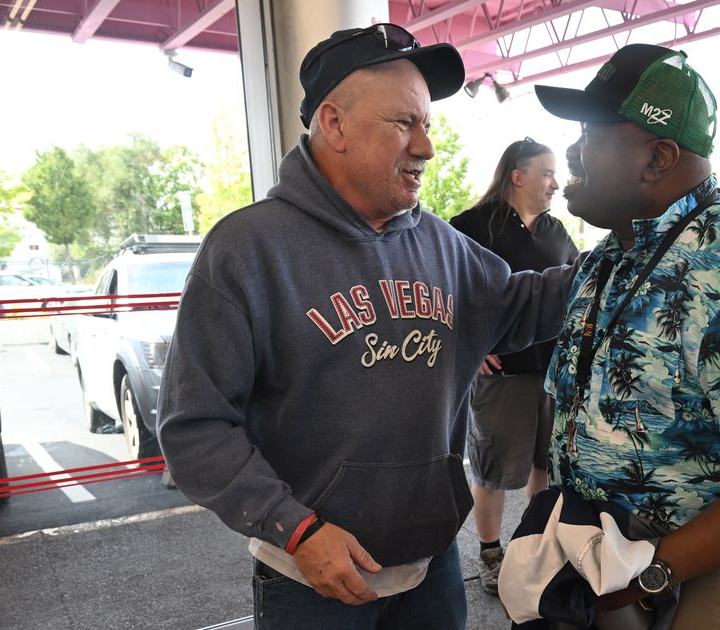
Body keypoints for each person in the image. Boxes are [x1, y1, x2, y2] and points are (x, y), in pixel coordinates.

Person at [155, 25, 575, 629]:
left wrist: (629, 254)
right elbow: (195, 426)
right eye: (405, 123)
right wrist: (295, 529)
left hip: (430, 570)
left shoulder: (444, 247)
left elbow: (520, 306)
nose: (426, 147)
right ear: (334, 124)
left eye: (427, 125)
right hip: (313, 580)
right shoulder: (247, 250)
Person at [531, 43, 720, 629]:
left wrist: (650, 577)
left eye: (591, 134)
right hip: (616, 567)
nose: (572, 152)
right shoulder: (610, 259)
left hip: (718, 580)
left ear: (658, 157)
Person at [448, 138, 579, 594]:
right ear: (517, 175)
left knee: (545, 463)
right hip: (501, 375)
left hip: (552, 373)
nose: (555, 184)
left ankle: (534, 544)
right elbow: (445, 293)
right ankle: (490, 551)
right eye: (547, 173)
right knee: (494, 468)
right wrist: (472, 343)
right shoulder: (469, 227)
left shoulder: (556, 232)